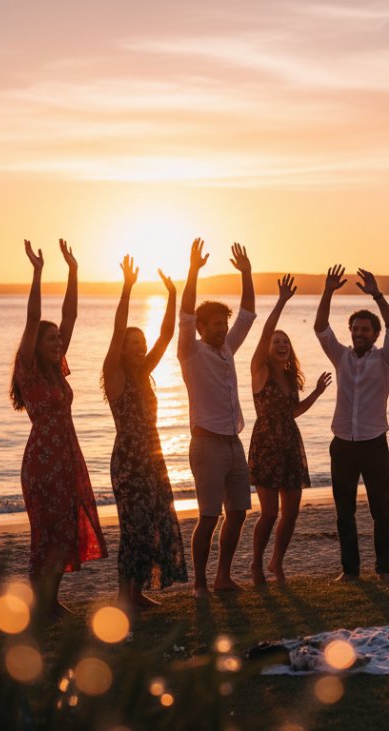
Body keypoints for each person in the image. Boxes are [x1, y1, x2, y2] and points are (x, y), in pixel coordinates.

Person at [11, 239, 107, 617]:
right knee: (46, 531)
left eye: (60, 340)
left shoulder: (55, 368)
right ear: (37, 344)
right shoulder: (28, 367)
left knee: (66, 528)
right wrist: (37, 273)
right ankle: (41, 602)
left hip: (67, 456)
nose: (59, 342)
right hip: (43, 460)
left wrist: (74, 272)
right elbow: (34, 319)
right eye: (52, 340)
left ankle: (50, 600)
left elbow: (70, 318)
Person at [103, 255, 189, 609]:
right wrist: (126, 288)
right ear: (121, 349)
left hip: (153, 460)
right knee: (133, 530)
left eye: (141, 345)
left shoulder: (143, 373)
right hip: (129, 462)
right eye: (132, 345)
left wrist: (173, 294)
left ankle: (136, 594)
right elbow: (116, 329)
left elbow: (167, 335)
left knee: (153, 525)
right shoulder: (116, 376)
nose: (139, 350)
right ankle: (126, 598)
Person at [178, 238, 256, 596]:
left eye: (224, 323)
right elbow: (186, 313)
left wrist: (248, 274)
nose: (223, 328)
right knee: (208, 517)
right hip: (206, 443)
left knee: (238, 512)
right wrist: (193, 270)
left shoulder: (228, 347)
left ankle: (224, 576)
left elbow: (248, 315)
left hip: (233, 442)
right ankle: (199, 582)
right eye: (216, 324)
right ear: (202, 328)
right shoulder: (190, 352)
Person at [314, 265, 389, 582]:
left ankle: (384, 571)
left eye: (365, 329)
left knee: (381, 511)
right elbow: (321, 327)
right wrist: (327, 291)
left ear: (374, 335)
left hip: (374, 443)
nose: (358, 333)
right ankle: (350, 572)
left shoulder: (386, 358)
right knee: (344, 513)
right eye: (355, 329)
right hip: (342, 445)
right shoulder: (341, 357)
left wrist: (377, 294)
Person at [247, 274, 332, 585]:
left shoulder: (289, 378)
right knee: (268, 513)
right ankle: (256, 563)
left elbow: (293, 412)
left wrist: (317, 394)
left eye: (285, 342)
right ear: (267, 349)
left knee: (291, 512)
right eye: (276, 342)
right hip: (266, 445)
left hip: (290, 446)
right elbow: (265, 331)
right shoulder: (260, 370)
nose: (281, 344)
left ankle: (276, 563)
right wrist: (281, 301)